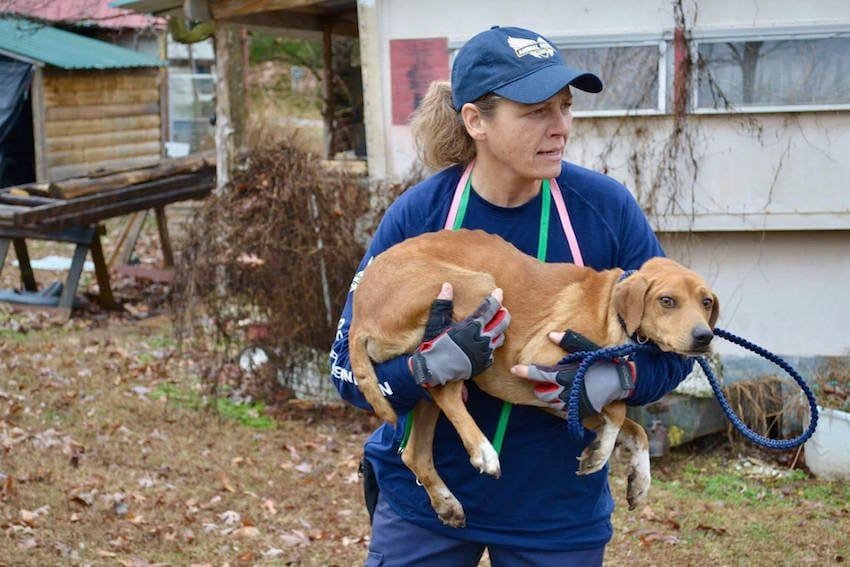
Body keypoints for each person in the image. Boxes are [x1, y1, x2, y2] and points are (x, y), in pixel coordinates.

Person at [329, 25, 693, 566]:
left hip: (555, 513)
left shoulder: (606, 210)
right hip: (424, 509)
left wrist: (620, 376)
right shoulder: (420, 217)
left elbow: (673, 351)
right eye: (536, 111)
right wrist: (421, 372)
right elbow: (345, 372)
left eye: (566, 107)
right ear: (475, 120)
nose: (561, 127)